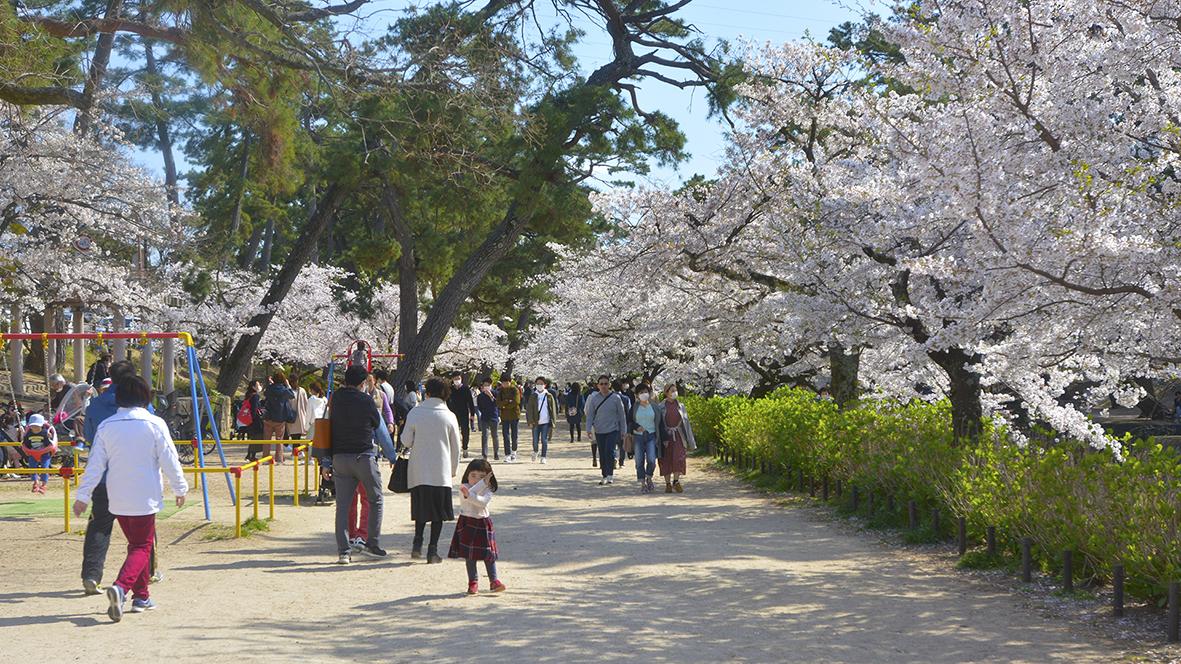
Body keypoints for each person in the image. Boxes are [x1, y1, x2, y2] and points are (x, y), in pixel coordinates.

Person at [72, 376, 188, 622]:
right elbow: (169, 459)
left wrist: (83, 495)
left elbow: (95, 465)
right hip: (144, 495)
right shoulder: (155, 424)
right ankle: (122, 588)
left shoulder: (106, 426)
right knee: (142, 546)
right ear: (146, 397)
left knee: (137, 544)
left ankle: (141, 596)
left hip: (117, 496)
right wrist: (179, 487)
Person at [79, 360, 161, 595]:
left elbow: (89, 436)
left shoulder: (96, 404)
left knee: (99, 525)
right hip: (136, 477)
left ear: (110, 377)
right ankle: (149, 571)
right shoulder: (142, 406)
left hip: (105, 478)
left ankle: (92, 576)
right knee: (143, 531)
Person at [327, 365, 390, 564]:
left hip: (340, 458)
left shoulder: (334, 399)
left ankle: (344, 551)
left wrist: (327, 462)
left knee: (343, 506)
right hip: (363, 456)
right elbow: (377, 425)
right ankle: (372, 544)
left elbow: (328, 428)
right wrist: (392, 456)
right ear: (363, 383)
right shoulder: (366, 399)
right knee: (375, 499)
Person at [403, 376, 461, 563]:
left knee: (420, 507)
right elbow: (456, 446)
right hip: (441, 469)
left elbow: (405, 440)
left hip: (419, 468)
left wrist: (415, 442)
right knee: (438, 512)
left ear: (427, 392)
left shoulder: (416, 412)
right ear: (446, 394)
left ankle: (417, 542)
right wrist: (453, 468)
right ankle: (432, 550)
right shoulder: (449, 416)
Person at [448, 458, 506, 594]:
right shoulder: (464, 488)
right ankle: (473, 583)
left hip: (483, 522)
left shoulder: (488, 489)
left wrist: (479, 488)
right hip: (467, 522)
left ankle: (494, 581)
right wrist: (476, 488)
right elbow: (468, 495)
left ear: (488, 478)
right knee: (470, 556)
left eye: (481, 477)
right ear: (467, 475)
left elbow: (482, 503)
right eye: (473, 475)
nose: (476, 479)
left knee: (489, 554)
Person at [655, 383, 697, 493]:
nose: (674, 392)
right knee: (666, 459)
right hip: (666, 435)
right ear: (666, 393)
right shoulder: (661, 407)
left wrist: (691, 443)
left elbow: (686, 424)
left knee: (679, 457)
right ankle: (668, 483)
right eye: (672, 390)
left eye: (675, 390)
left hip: (678, 435)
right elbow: (658, 424)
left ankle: (676, 481)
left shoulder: (681, 406)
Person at [585, 375, 626, 485]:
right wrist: (588, 429)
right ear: (598, 385)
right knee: (602, 452)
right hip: (599, 429)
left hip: (612, 429)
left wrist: (623, 431)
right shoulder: (594, 399)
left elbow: (622, 416)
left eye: (606, 383)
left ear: (609, 385)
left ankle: (610, 474)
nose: (604, 386)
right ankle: (604, 474)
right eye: (601, 384)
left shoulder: (616, 398)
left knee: (610, 450)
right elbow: (590, 415)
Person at [630, 383, 663, 493]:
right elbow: (629, 422)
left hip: (651, 435)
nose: (644, 394)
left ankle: (649, 478)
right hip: (638, 436)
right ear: (637, 395)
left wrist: (665, 439)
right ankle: (642, 483)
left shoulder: (655, 407)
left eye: (646, 392)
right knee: (639, 461)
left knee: (651, 459)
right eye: (641, 393)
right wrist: (636, 427)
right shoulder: (634, 407)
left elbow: (660, 423)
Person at [262, 372, 295, 464]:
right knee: (279, 438)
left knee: (267, 438)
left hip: (269, 416)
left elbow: (265, 393)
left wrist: (271, 383)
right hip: (280, 417)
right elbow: (292, 396)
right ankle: (279, 460)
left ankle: (265, 459)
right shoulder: (284, 390)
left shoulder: (269, 388)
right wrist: (288, 386)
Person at [446, 371, 478, 458]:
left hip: (464, 413)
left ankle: (465, 448)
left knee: (465, 432)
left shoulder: (466, 389)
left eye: (459, 379)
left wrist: (472, 413)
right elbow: (447, 401)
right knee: (454, 433)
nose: (457, 380)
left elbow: (470, 402)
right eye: (455, 379)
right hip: (453, 414)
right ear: (452, 379)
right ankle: (455, 450)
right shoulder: (450, 390)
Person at [525, 376, 556, 463]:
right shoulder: (533, 396)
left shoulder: (549, 396)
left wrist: (553, 422)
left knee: (544, 440)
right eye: (538, 384)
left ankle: (543, 456)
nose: (539, 385)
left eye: (541, 384)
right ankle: (535, 451)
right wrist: (530, 421)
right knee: (535, 439)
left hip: (545, 421)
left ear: (545, 385)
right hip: (536, 421)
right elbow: (530, 409)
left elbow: (552, 410)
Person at [22, 413, 56, 493]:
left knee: (44, 467)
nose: (35, 427)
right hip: (33, 452)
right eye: (33, 426)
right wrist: (23, 439)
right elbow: (26, 443)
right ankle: (36, 481)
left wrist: (49, 438)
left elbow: (49, 444)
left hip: (45, 451)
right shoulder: (29, 433)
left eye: (37, 426)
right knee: (32, 467)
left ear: (41, 425)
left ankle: (44, 484)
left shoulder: (45, 432)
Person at [496, 377, 520, 462]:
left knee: (514, 435)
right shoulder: (501, 391)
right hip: (505, 416)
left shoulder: (515, 390)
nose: (505, 384)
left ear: (510, 382)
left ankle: (514, 452)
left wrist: (505, 406)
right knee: (505, 435)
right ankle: (508, 454)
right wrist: (507, 401)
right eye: (503, 383)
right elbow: (498, 403)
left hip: (515, 415)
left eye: (507, 383)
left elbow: (516, 402)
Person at [475, 378, 500, 460]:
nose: (486, 387)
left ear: (491, 385)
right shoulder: (481, 396)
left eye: (488, 385)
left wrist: (491, 396)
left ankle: (496, 453)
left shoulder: (496, 393)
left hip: (494, 417)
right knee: (485, 436)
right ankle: (484, 455)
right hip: (485, 417)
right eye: (485, 385)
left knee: (495, 435)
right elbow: (479, 406)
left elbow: (498, 403)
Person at [243, 379, 265, 462]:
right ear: (253, 387)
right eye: (257, 385)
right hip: (256, 420)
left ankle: (249, 454)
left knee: (253, 437)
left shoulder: (248, 395)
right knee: (258, 437)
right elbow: (254, 408)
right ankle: (252, 455)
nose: (259, 386)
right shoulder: (255, 396)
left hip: (250, 420)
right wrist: (254, 417)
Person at [613, 380, 633, 469]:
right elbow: (629, 412)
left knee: (612, 442)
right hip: (623, 423)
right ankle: (622, 462)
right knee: (622, 444)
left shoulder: (611, 398)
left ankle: (613, 458)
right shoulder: (625, 398)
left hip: (612, 423)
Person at [287, 372, 309, 442]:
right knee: (298, 438)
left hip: (291, 417)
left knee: (294, 437)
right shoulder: (302, 391)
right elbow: (306, 404)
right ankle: (296, 451)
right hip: (300, 416)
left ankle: (295, 451)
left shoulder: (288, 391)